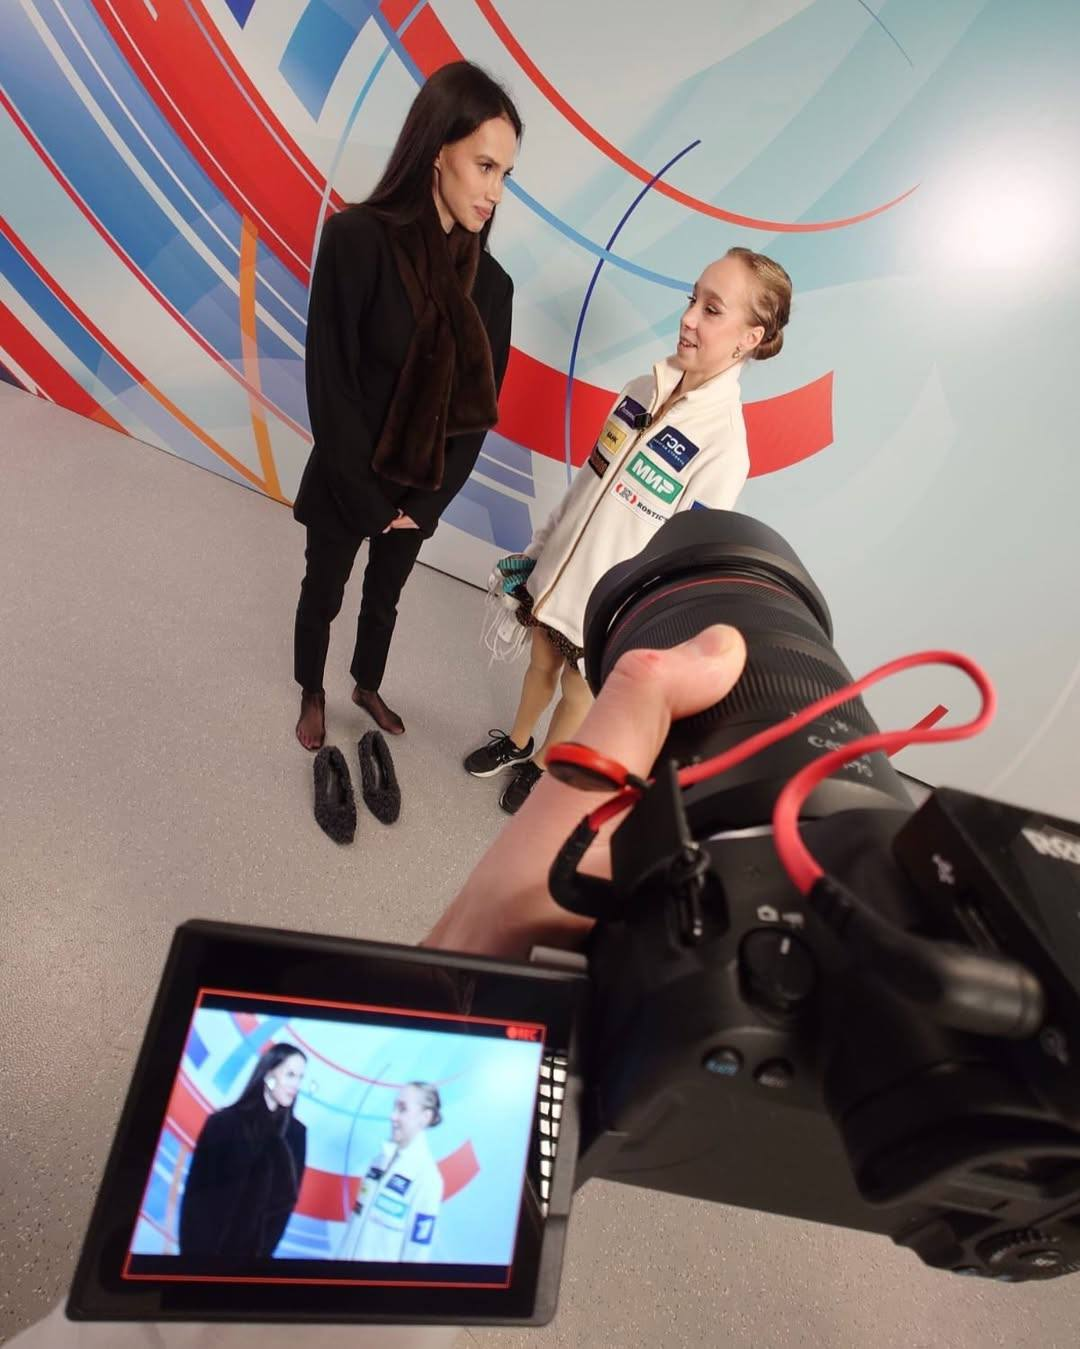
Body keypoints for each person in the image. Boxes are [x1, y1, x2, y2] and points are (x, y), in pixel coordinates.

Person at [463, 248, 791, 814]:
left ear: (750, 338)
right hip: (559, 574)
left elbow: (683, 560)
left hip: (611, 609)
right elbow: (585, 485)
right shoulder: (642, 388)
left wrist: (642, 628)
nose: (688, 318)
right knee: (540, 663)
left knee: (578, 691)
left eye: (712, 310)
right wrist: (540, 551)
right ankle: (517, 742)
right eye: (692, 299)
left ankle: (542, 768)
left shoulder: (724, 447)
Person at [293, 62, 520, 749]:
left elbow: (475, 420)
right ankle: (311, 689)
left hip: (419, 489)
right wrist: (366, 499)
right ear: (438, 150)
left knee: (384, 599)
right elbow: (329, 382)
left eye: (506, 175)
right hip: (347, 476)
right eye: (485, 166)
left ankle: (366, 683)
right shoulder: (355, 239)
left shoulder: (494, 289)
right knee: (324, 590)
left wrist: (423, 505)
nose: (495, 192)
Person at [178, 1043, 307, 1260]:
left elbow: (285, 1206)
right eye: (290, 1075)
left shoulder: (296, 1135)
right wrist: (194, 1256)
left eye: (300, 1077)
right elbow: (196, 1194)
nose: (296, 1084)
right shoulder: (223, 1123)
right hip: (203, 1254)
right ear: (269, 1074)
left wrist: (260, 1257)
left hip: (252, 1262)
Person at [338, 1082, 445, 1262]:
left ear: (425, 1117)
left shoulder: (427, 1179)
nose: (392, 1116)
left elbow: (417, 1256)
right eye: (394, 1107)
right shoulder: (379, 1161)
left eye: (402, 1109)